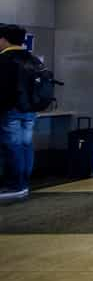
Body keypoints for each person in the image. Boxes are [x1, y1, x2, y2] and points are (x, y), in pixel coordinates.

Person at [0, 24, 44, 201]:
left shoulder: (4, 60)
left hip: (10, 110)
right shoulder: (33, 59)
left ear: (4, 39)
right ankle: (24, 183)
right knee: (25, 145)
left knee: (13, 146)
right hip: (30, 111)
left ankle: (14, 185)